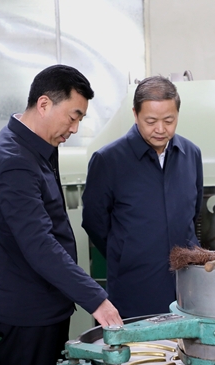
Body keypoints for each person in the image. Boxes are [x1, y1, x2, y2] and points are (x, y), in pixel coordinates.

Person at [0, 64, 123, 365]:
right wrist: (96, 299)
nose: (75, 128)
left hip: (43, 302)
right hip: (29, 312)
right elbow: (38, 242)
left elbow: (11, 220)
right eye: (73, 116)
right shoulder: (14, 159)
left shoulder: (35, 147)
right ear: (43, 104)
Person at [81, 76, 203, 318]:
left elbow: (193, 212)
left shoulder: (191, 154)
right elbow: (94, 223)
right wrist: (126, 253)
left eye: (169, 120)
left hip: (185, 286)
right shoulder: (108, 160)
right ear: (135, 114)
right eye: (151, 121)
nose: (161, 129)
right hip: (133, 288)